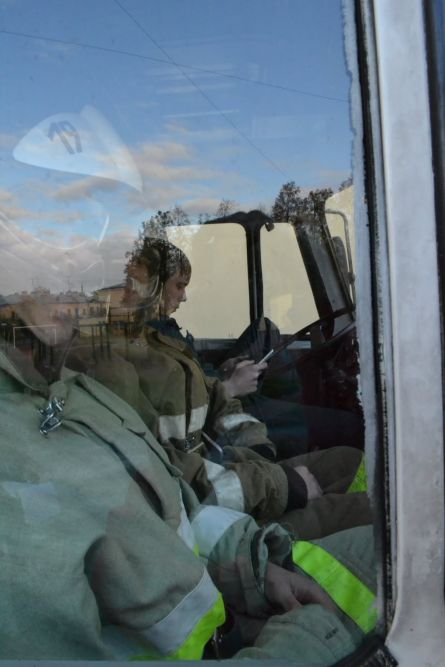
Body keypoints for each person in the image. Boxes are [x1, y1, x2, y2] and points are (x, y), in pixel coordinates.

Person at [0, 322, 376, 662]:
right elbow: (176, 467)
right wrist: (314, 642)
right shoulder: (97, 373)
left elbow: (167, 498)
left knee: (374, 530)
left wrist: (253, 568)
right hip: (219, 619)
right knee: (383, 553)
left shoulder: (71, 388)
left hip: (220, 585)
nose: (73, 296)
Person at [70, 237, 371, 538]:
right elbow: (169, 475)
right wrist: (282, 485)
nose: (184, 297)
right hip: (204, 515)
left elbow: (207, 397)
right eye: (178, 286)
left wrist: (256, 447)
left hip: (219, 469)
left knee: (350, 461)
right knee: (372, 508)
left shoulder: (155, 342)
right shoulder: (113, 370)